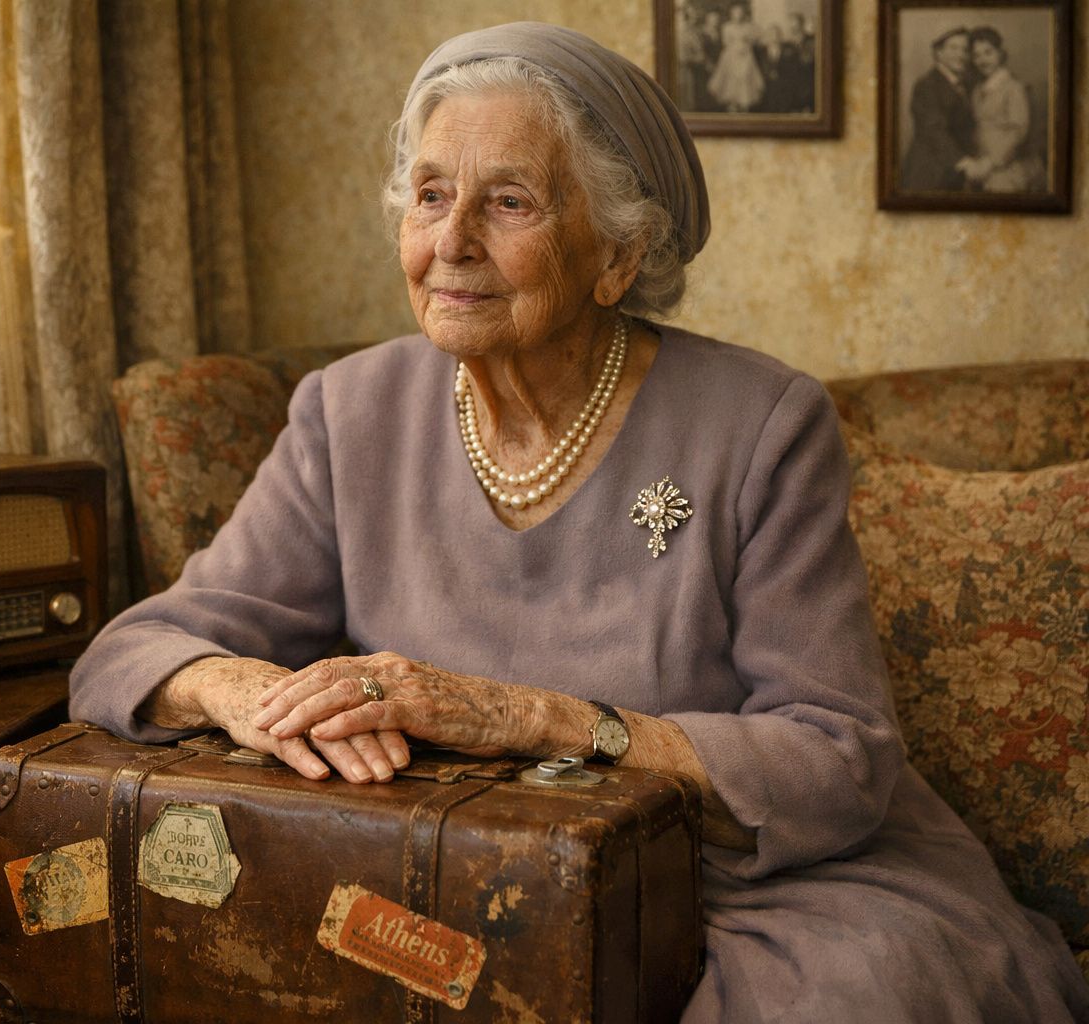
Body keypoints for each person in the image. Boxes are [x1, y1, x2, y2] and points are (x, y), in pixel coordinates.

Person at [69, 21, 1089, 1021]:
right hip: (479, 879)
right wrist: (249, 693)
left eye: (506, 200)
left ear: (618, 255)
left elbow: (839, 758)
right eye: (430, 196)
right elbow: (134, 651)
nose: (452, 242)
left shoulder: (762, 424)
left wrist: (540, 720)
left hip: (752, 885)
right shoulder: (350, 413)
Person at [958, 26, 1046, 193]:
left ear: (1000, 53)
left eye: (988, 52)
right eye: (976, 55)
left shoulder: (1014, 88)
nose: (983, 60)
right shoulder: (977, 90)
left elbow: (1018, 131)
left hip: (1008, 164)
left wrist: (991, 162)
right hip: (982, 162)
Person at [900, 26, 975, 191]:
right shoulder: (927, 85)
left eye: (965, 49)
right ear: (938, 53)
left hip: (954, 172)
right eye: (954, 48)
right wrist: (962, 162)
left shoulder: (967, 85)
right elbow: (933, 129)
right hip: (929, 173)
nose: (961, 55)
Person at [706, 3, 764, 113]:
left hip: (746, 56)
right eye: (735, 13)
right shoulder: (727, 27)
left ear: (743, 14)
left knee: (745, 78)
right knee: (730, 80)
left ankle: (744, 106)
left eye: (740, 13)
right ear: (731, 14)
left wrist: (745, 46)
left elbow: (754, 40)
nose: (738, 15)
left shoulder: (748, 27)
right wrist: (736, 47)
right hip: (731, 56)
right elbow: (726, 42)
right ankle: (732, 107)